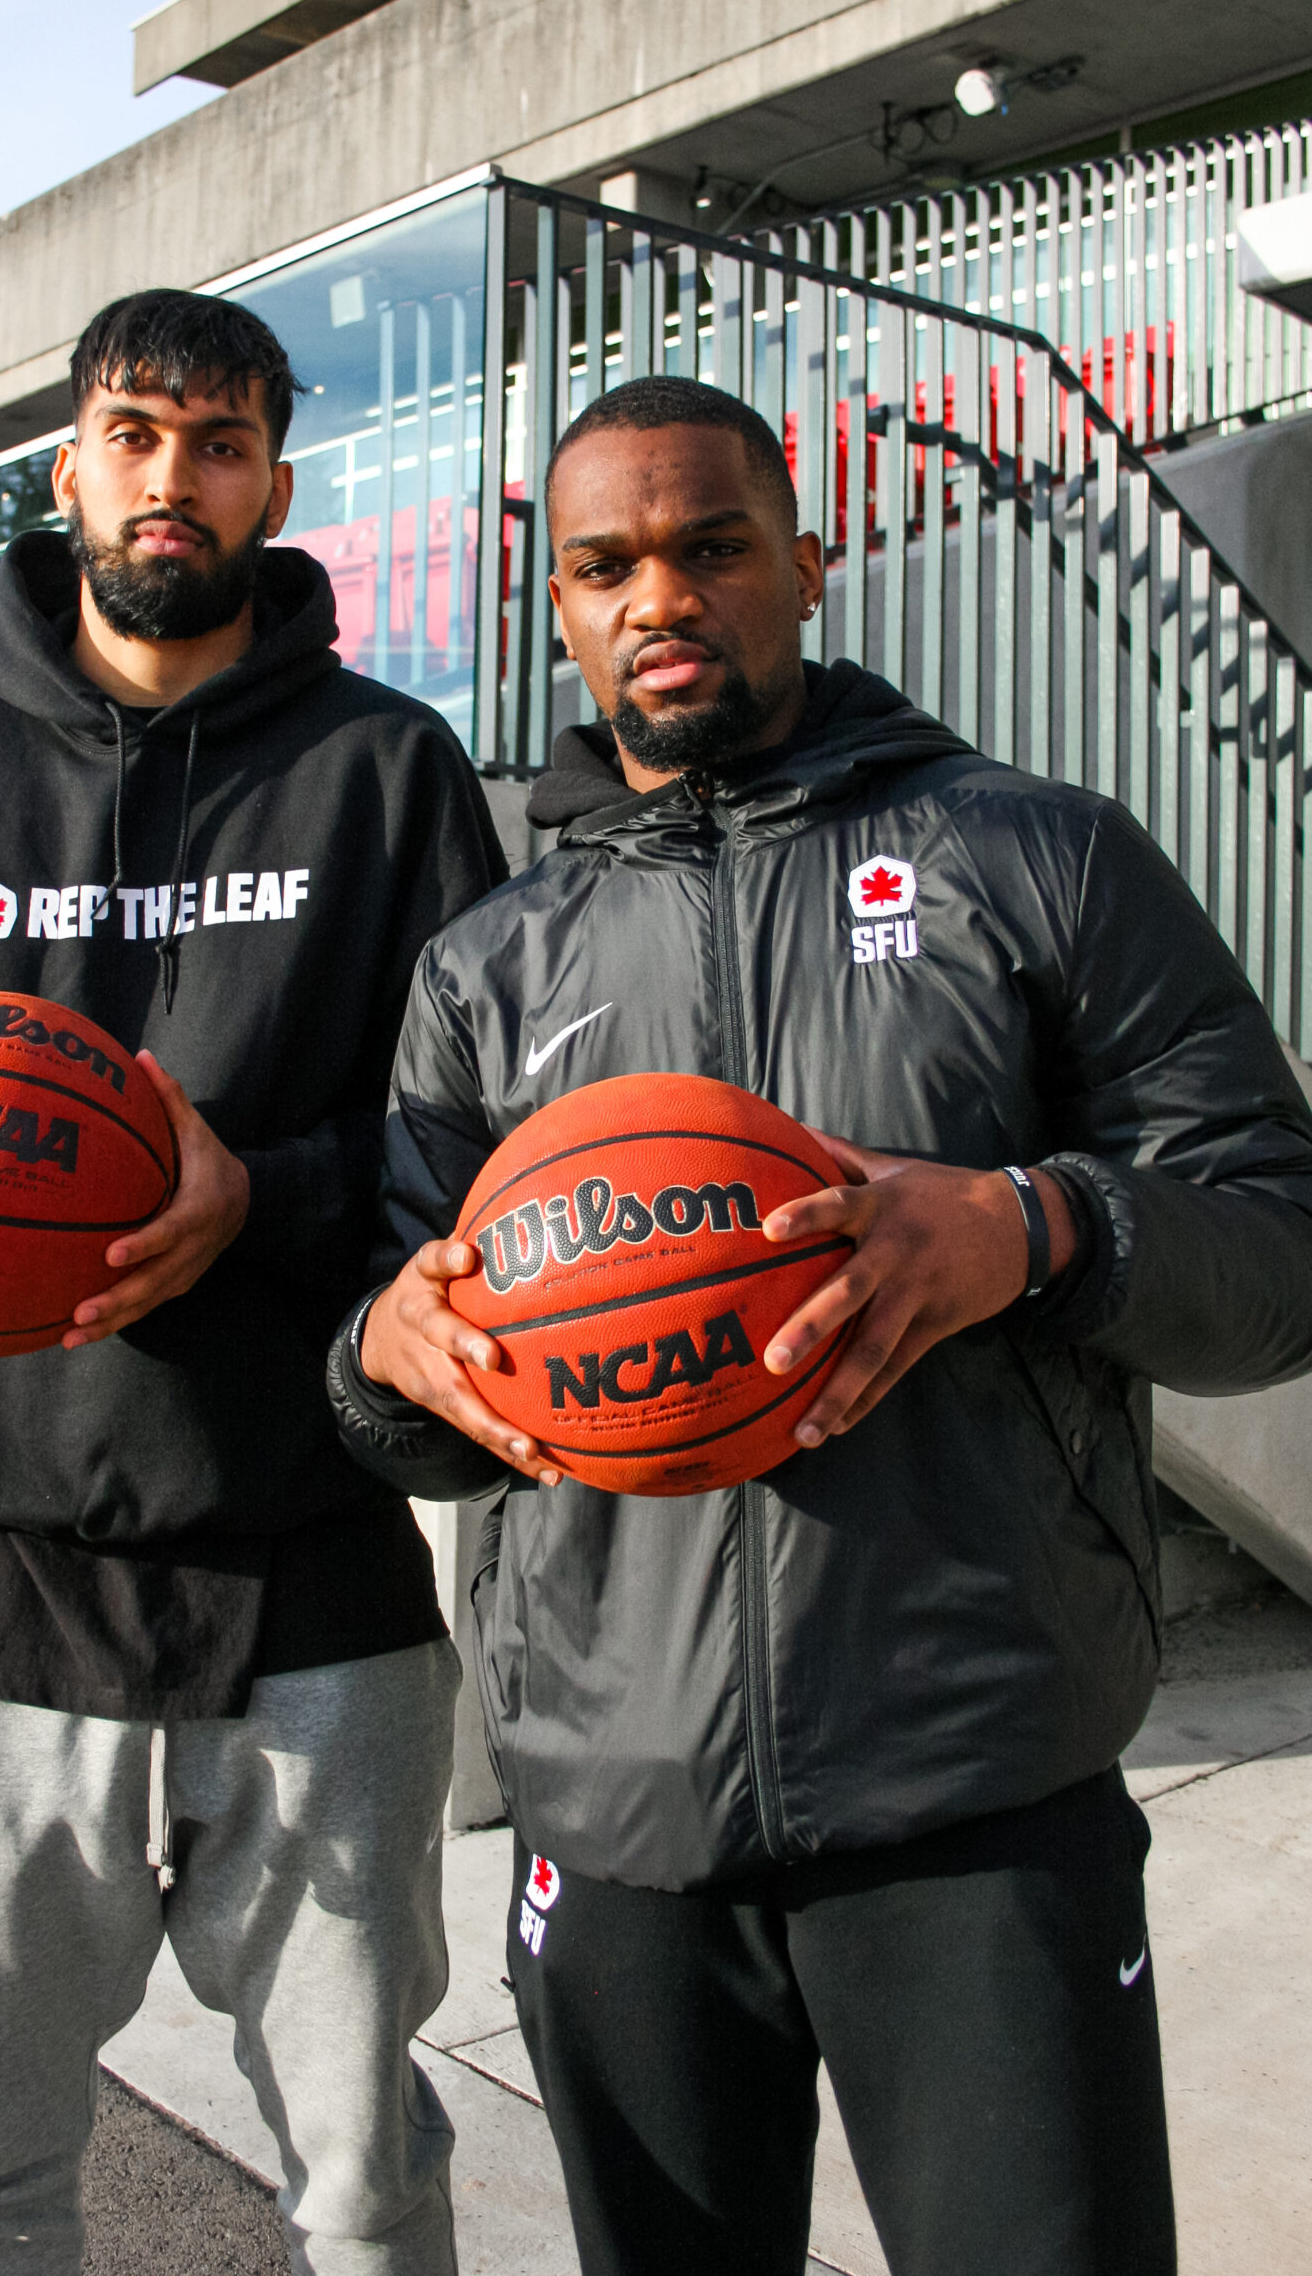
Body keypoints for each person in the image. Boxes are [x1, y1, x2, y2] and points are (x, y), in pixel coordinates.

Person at [328, 374, 1312, 2276]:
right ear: (560, 605)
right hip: (608, 1810)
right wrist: (391, 1353)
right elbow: (400, 1368)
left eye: (711, 547)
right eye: (607, 564)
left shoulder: (1033, 856)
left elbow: (1280, 1244)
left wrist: (1034, 1226)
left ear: (805, 561)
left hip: (970, 1773)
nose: (661, 597)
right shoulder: (484, 965)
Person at [0, 288, 506, 2276]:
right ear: (68, 467)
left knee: (369, 2173)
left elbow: (481, 1151)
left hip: (308, 1552)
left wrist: (264, 1189)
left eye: (221, 441)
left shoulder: (387, 772)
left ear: (277, 481)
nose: (176, 477)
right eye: (137, 434)